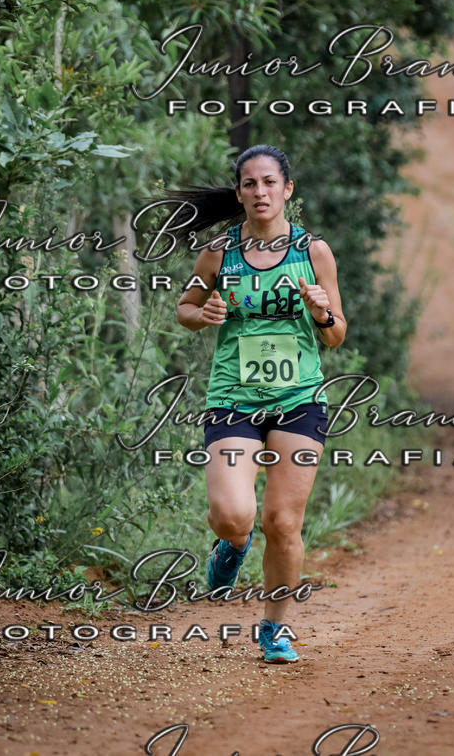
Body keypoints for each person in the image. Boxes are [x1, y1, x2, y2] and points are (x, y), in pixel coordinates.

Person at [175, 144, 346, 663]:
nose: (260, 192)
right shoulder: (218, 253)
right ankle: (231, 545)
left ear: (287, 189)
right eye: (250, 184)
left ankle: (274, 628)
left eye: (270, 182)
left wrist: (321, 313)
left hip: (299, 398)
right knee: (233, 515)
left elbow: (336, 336)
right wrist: (200, 315)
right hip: (233, 398)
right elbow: (184, 305)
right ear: (239, 193)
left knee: (284, 523)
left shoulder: (313, 252)